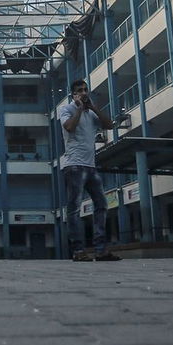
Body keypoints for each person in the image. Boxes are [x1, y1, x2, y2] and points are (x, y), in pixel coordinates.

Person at [59, 79, 117, 261]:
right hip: (74, 166)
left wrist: (93, 108)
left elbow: (109, 125)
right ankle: (78, 251)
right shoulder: (67, 109)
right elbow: (69, 127)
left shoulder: (91, 113)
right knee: (74, 208)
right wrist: (78, 108)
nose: (84, 93)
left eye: (85, 90)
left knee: (101, 205)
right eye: (79, 90)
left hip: (91, 166)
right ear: (73, 94)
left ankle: (100, 250)